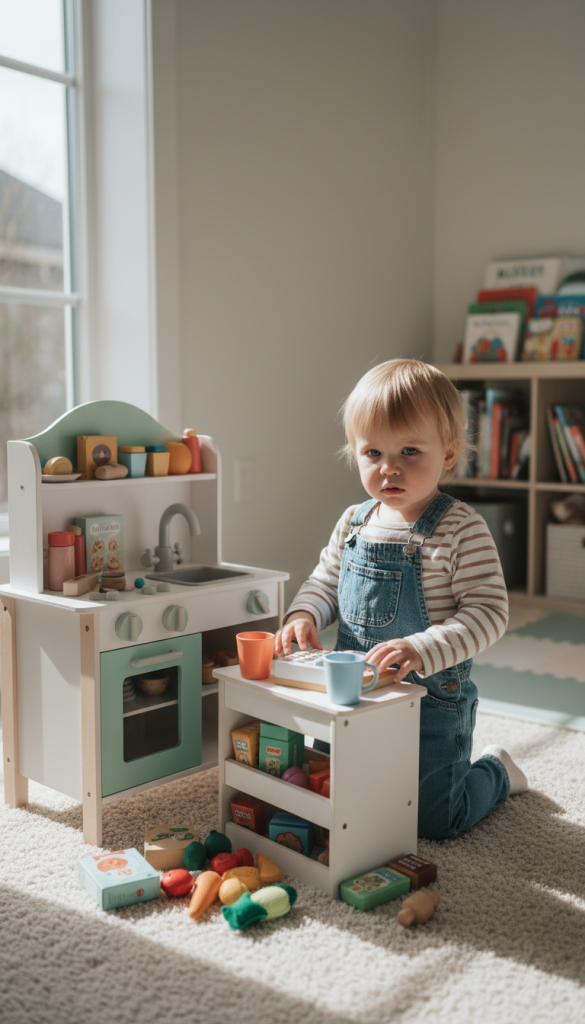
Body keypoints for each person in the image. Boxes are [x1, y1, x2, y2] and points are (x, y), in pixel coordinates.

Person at [275, 358, 528, 839]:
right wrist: (304, 613)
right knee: (337, 795)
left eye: (410, 451)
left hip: (431, 702)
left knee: (436, 821)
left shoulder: (462, 528)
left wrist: (422, 648)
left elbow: (489, 613)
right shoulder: (354, 520)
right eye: (373, 453)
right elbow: (326, 579)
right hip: (353, 695)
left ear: (448, 455)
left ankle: (495, 772)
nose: (389, 468)